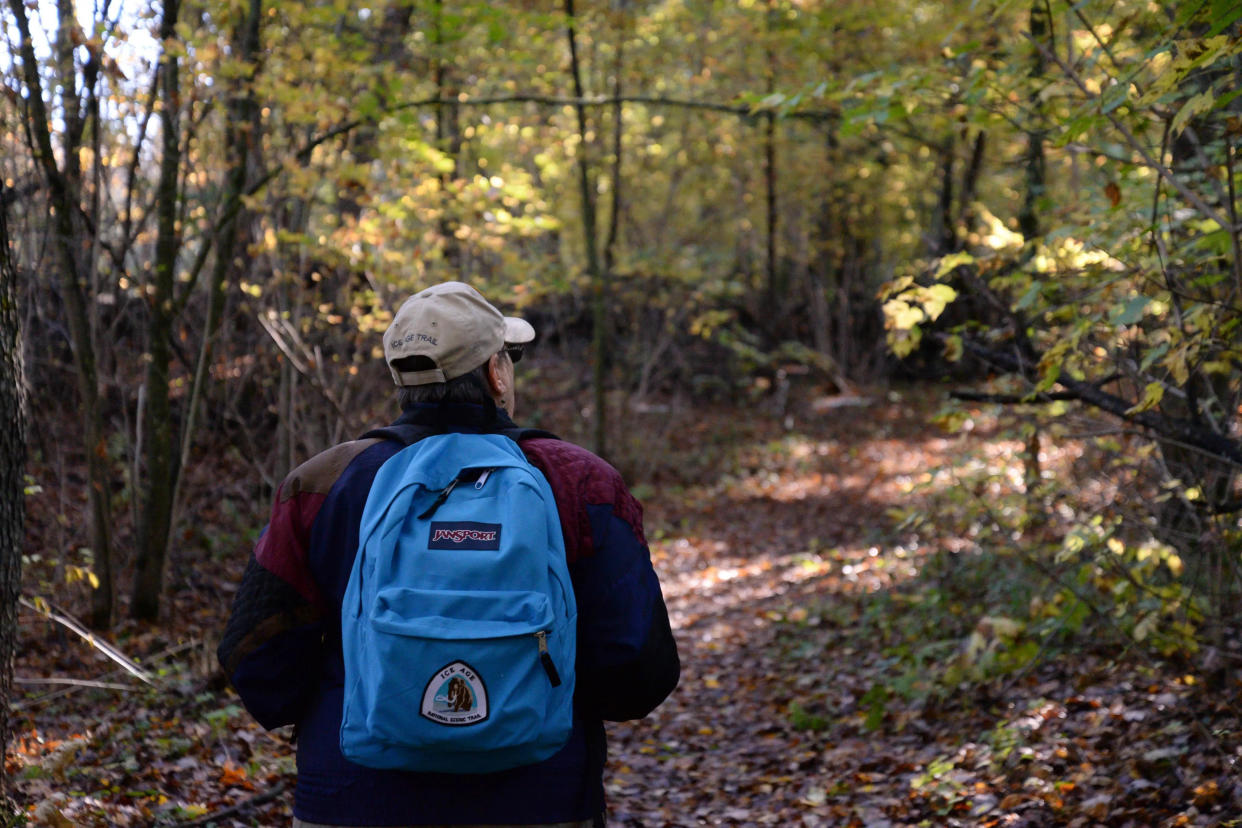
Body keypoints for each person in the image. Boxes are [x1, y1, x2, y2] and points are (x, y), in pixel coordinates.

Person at [217, 281, 680, 828]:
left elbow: (258, 659)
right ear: (495, 374)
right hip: (540, 798)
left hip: (353, 799)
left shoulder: (323, 484)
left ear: (401, 379)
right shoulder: (580, 483)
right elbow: (639, 667)